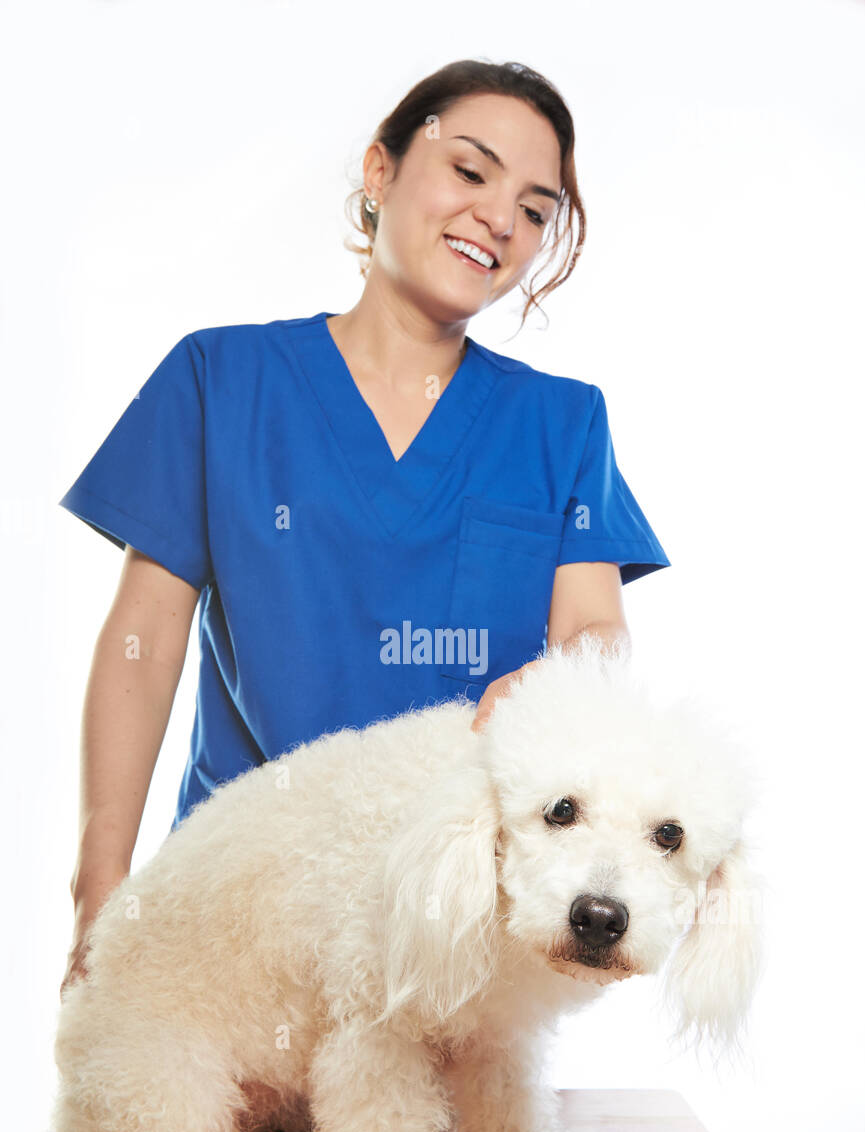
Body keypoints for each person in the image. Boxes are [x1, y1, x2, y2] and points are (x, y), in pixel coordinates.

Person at [57, 59, 670, 996]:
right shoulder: (221, 381)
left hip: (452, 937)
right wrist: (100, 885)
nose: (500, 219)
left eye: (536, 209)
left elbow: (591, 634)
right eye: (469, 171)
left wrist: (553, 679)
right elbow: (144, 645)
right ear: (379, 173)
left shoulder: (562, 424)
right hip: (241, 904)